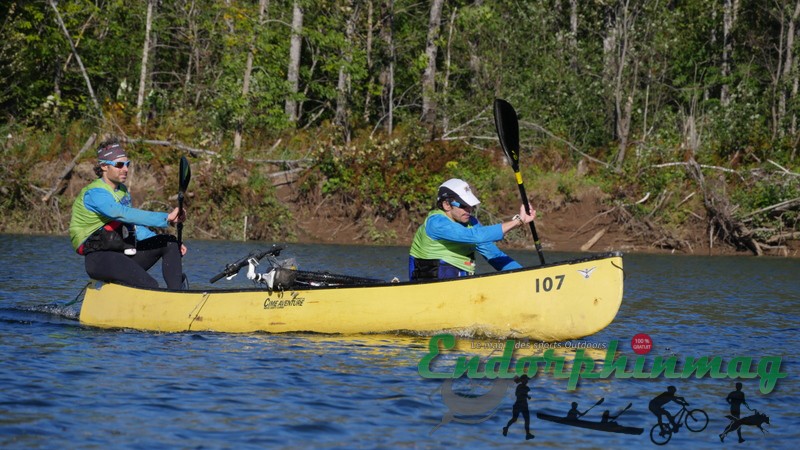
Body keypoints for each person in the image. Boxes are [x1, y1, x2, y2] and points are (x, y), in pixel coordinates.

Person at [69, 138, 187, 289]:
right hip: (99, 260)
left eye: (127, 164)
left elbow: (133, 227)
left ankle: (178, 296)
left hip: (122, 256)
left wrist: (172, 244)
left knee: (169, 242)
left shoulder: (123, 192)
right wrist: (166, 217)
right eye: (119, 164)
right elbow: (121, 214)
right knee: (150, 284)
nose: (125, 169)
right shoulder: (95, 193)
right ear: (104, 166)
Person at [409, 178, 536, 280]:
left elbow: (494, 255)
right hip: (429, 287)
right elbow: (475, 236)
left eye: (470, 206)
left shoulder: (472, 223)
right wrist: (518, 221)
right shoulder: (436, 223)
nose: (469, 210)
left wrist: (526, 277)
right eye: (463, 205)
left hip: (458, 287)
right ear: (446, 205)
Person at [502, 374, 534, 440]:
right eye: (526, 379)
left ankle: (528, 434)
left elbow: (524, 394)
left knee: (527, 420)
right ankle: (506, 428)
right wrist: (525, 395)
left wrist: (527, 396)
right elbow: (517, 394)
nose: (527, 381)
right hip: (519, 405)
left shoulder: (526, 387)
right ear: (523, 380)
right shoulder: (520, 386)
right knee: (514, 419)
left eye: (527, 380)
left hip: (524, 405)